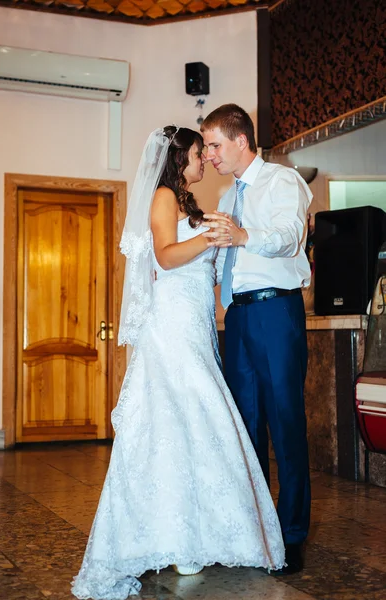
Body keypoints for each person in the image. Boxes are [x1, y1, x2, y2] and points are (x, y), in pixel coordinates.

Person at [72, 126, 285, 600]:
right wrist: (209, 238)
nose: (204, 160)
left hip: (195, 325)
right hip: (171, 329)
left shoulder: (185, 200)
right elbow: (167, 258)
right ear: (176, 159)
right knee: (183, 419)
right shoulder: (165, 197)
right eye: (196, 153)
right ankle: (168, 535)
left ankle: (191, 535)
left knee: (194, 424)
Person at [201, 104, 312, 574]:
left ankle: (291, 534)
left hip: (275, 311)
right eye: (205, 147)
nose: (208, 155)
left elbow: (289, 237)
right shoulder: (226, 197)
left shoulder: (282, 181)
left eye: (214, 145)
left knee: (285, 422)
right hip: (239, 319)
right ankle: (256, 529)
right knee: (245, 427)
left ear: (240, 140)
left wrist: (243, 234)